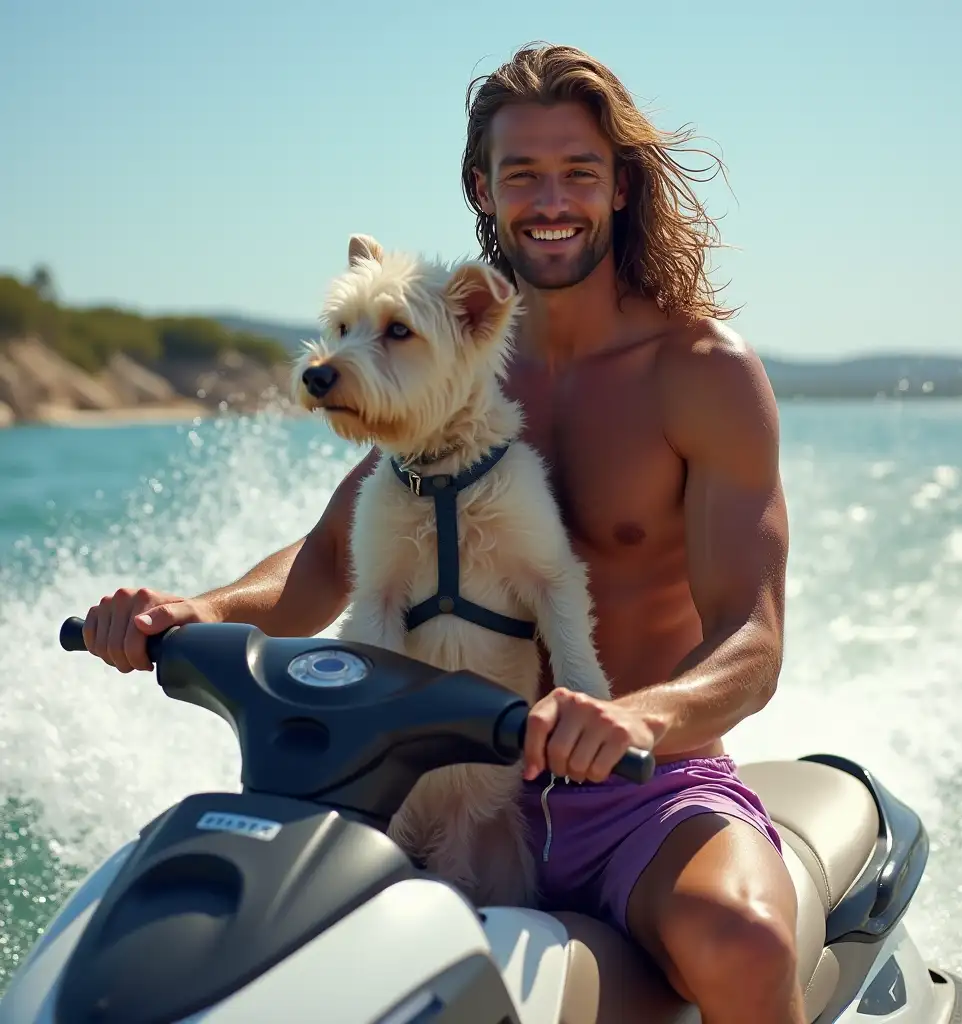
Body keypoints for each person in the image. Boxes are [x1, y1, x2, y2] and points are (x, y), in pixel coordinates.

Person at [83, 43, 801, 1024]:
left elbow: (751, 639)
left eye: (578, 172)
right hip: (435, 780)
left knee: (744, 940)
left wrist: (638, 716)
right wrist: (192, 610)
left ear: (620, 186)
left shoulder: (700, 372)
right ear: (482, 187)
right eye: (522, 174)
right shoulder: (442, 354)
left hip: (642, 786)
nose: (551, 200)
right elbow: (334, 557)